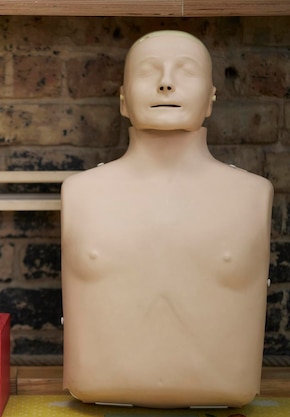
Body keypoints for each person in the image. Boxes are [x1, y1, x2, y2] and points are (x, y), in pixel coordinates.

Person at [61, 31, 273, 408]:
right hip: (97, 389)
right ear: (124, 100)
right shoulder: (81, 193)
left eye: (186, 71)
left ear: (211, 99)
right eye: (149, 71)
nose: (166, 82)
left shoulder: (252, 195)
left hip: (224, 388)